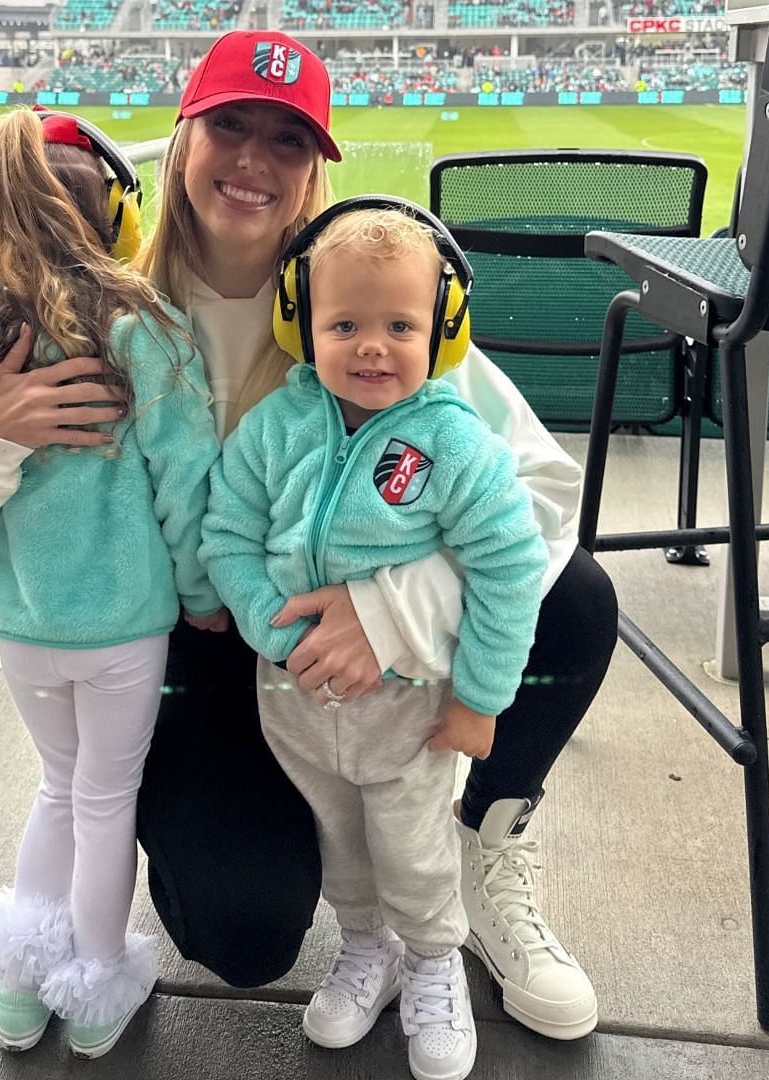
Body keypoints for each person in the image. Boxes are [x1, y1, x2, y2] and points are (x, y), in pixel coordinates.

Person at [0, 29, 614, 1041]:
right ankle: (312, 871)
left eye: (287, 141)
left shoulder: (353, 299)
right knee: (242, 934)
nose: (254, 160)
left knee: (576, 601)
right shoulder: (100, 309)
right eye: (231, 126)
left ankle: (482, 844)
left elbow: (539, 489)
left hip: (334, 643)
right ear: (182, 140)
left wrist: (395, 611)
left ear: (316, 170)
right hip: (185, 651)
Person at [0, 108, 220, 1058]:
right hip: (122, 627)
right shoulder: (143, 327)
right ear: (114, 216)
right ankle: (92, 988)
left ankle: (20, 988)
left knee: (59, 786)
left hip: (20, 623)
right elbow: (185, 485)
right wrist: (201, 591)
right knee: (105, 798)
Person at [204, 200, 544, 1080]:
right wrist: (267, 627)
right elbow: (228, 538)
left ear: (443, 329)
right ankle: (367, 948)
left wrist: (478, 699)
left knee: (416, 849)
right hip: (295, 704)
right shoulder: (273, 428)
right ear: (300, 324)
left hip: (410, 710)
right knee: (340, 845)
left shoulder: (455, 446)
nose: (370, 346)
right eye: (344, 323)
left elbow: (509, 571)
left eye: (400, 325)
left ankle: (433, 960)